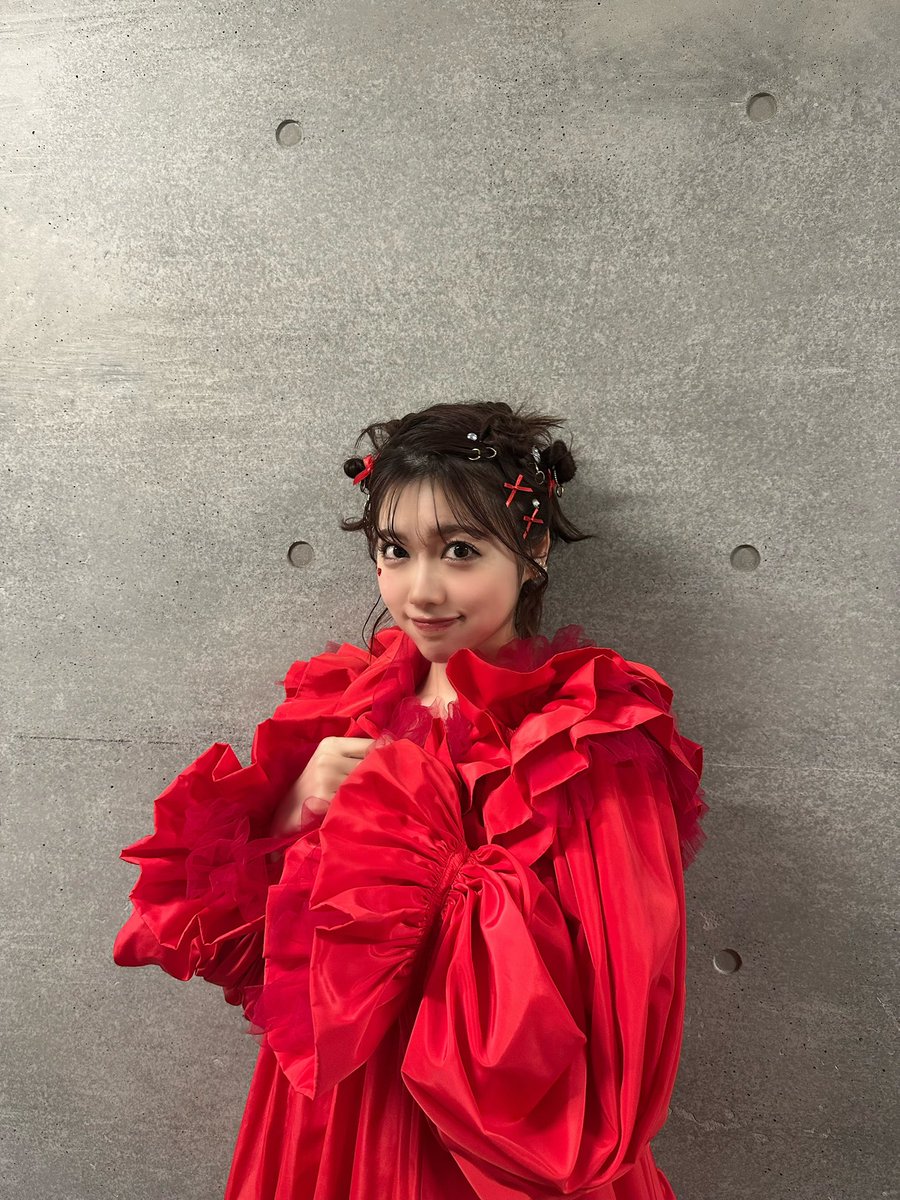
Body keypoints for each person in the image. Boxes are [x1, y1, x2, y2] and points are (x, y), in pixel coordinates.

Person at [112, 399, 708, 1199]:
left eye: (460, 551)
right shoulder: (342, 707)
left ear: (531, 547)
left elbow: (625, 994)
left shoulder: (584, 742)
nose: (421, 590)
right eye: (395, 550)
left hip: (490, 1133)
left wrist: (427, 865)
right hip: (332, 1115)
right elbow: (253, 955)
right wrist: (297, 807)